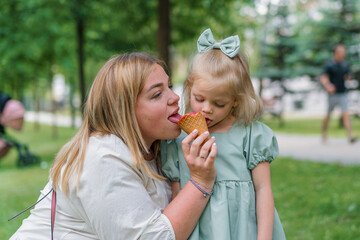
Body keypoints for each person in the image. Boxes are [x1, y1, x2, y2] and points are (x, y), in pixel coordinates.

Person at [10, 52, 217, 240]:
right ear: (124, 111)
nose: (175, 98)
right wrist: (201, 181)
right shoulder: (102, 158)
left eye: (169, 87)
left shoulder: (156, 148)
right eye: (156, 94)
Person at [161, 29, 286, 239]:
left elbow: (263, 190)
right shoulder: (179, 141)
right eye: (199, 98)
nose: (206, 109)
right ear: (190, 87)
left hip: (243, 230)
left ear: (236, 100)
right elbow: (176, 198)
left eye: (219, 103)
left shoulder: (250, 135)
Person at [321, 44, 356, 144]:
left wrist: (349, 78)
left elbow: (347, 76)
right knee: (328, 115)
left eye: (343, 51)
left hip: (342, 93)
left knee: (345, 114)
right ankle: (324, 135)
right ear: (335, 53)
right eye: (340, 51)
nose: (342, 54)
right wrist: (328, 86)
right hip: (332, 94)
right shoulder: (329, 65)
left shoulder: (345, 64)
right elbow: (324, 78)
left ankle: (350, 136)